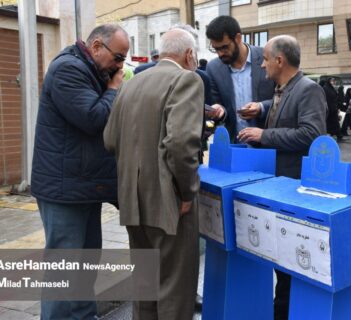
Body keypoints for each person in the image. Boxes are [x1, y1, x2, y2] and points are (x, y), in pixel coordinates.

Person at [104, 28, 203, 320]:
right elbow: (181, 145)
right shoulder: (186, 79)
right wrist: (186, 193)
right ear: (189, 54)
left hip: (132, 200)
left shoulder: (131, 84)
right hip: (169, 202)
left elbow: (109, 139)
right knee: (174, 288)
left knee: (145, 286)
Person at [31, 24, 129, 320]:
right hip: (64, 190)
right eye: (118, 57)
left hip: (83, 186)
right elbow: (93, 118)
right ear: (96, 46)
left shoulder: (91, 70)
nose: (120, 65)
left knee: (86, 264)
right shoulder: (68, 70)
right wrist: (113, 90)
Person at [237, 35, 327, 320]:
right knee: (281, 264)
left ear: (280, 60)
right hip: (278, 186)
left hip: (295, 187)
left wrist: (264, 135)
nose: (261, 65)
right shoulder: (283, 89)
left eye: (264, 58)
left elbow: (312, 135)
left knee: (292, 266)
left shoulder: (308, 89)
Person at [205, 15, 275, 142]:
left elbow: (286, 98)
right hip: (235, 146)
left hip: (269, 145)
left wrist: (261, 107)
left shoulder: (267, 57)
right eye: (216, 49)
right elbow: (219, 108)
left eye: (224, 47)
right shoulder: (213, 68)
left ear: (238, 38)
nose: (220, 53)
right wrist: (219, 111)